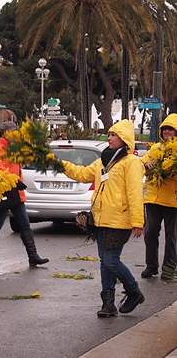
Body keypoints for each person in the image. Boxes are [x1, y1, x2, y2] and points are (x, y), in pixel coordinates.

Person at [61, 119, 145, 317]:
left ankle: (134, 292)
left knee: (111, 261)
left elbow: (135, 193)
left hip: (119, 220)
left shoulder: (131, 162)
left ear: (123, 138)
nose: (109, 138)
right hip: (100, 219)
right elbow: (82, 174)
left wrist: (138, 222)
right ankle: (108, 304)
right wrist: (60, 164)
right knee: (104, 262)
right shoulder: (103, 161)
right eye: (108, 135)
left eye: (113, 135)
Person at [0, 121, 49, 266]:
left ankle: (32, 255)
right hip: (5, 191)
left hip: (15, 191)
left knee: (24, 224)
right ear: (4, 134)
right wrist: (14, 180)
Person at [140, 114, 177, 280]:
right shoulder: (155, 149)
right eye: (165, 129)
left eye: (171, 129)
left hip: (173, 200)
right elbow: (141, 165)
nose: (167, 132)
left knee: (172, 236)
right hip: (153, 199)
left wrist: (169, 170)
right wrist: (146, 165)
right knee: (150, 232)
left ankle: (169, 269)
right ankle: (151, 266)